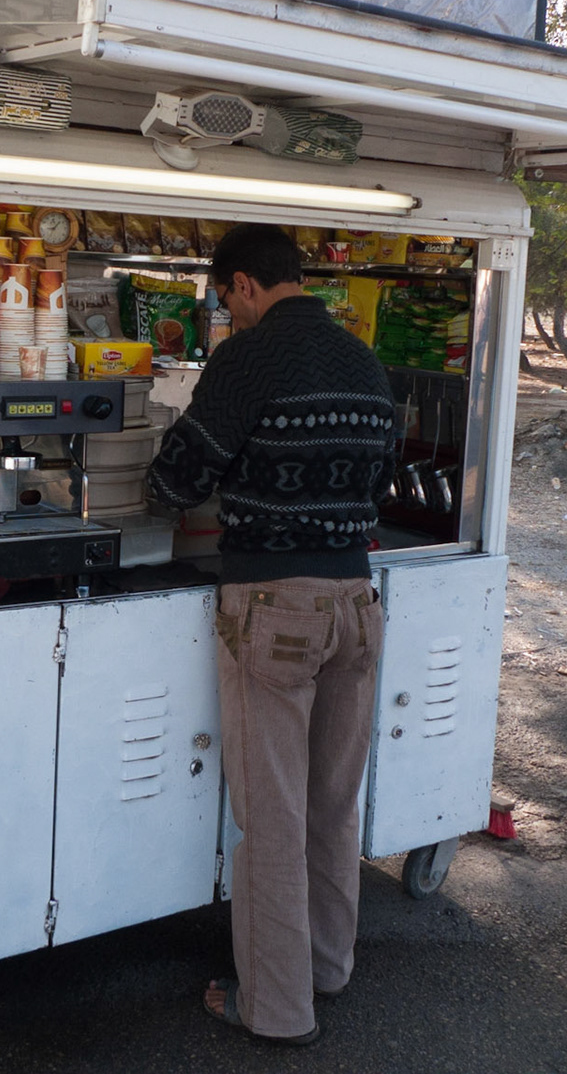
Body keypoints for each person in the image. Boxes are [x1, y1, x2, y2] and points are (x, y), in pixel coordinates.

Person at [145, 223, 397, 1047]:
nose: (228, 313)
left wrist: (160, 475)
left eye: (226, 299)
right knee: (331, 802)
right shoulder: (362, 358)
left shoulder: (246, 359)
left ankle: (278, 1007)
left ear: (246, 284)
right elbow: (379, 470)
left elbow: (176, 478)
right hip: (356, 600)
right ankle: (329, 966)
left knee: (274, 816)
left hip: (273, 606)